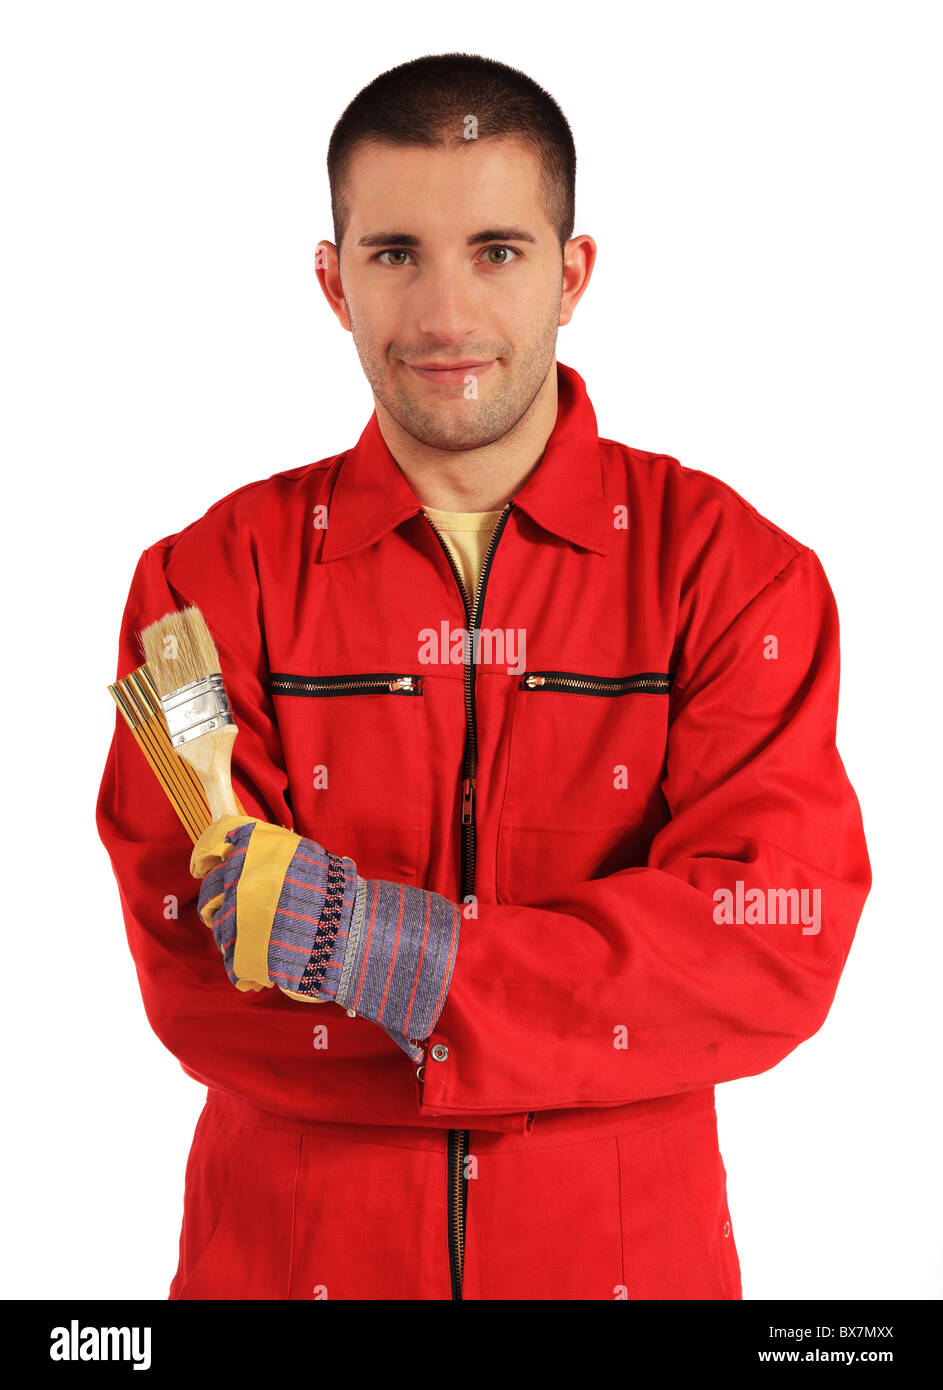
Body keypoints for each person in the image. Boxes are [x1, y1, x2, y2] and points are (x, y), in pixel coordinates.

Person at [96, 52, 871, 1301]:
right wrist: (589, 1017)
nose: (446, 317)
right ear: (330, 280)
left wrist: (388, 953)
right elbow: (200, 978)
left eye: (498, 251)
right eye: (395, 252)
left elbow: (767, 946)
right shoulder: (206, 579)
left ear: (573, 273)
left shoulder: (734, 576)